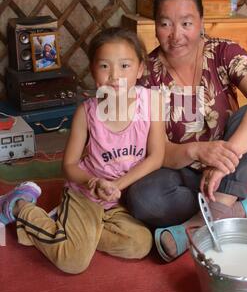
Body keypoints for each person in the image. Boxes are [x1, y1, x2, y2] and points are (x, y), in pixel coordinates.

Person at [125, 0, 247, 262]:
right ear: (155, 26)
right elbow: (158, 148)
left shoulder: (223, 53)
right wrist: (198, 151)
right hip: (181, 171)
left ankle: (195, 226)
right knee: (142, 198)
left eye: (186, 23)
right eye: (166, 24)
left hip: (231, 167)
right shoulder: (147, 76)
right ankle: (239, 208)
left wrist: (224, 158)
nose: (176, 35)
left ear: (201, 22)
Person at [0, 27, 165, 273]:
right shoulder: (86, 113)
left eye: (124, 66)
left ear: (140, 69)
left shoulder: (152, 103)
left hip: (120, 198)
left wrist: (117, 186)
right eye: (104, 66)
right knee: (73, 262)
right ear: (92, 71)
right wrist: (94, 182)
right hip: (85, 193)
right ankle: (19, 206)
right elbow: (69, 166)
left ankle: (69, 229)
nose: (114, 76)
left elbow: (156, 157)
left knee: (141, 243)